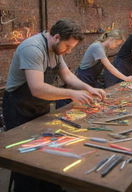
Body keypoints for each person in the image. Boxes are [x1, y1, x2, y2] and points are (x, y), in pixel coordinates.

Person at [2, 19, 106, 192]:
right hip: (18, 106)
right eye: (67, 46)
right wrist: (72, 93)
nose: (69, 50)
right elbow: (37, 88)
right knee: (26, 156)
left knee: (48, 150)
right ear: (56, 37)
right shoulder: (33, 49)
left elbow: (67, 76)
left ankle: (49, 186)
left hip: (38, 105)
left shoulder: (56, 49)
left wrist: (89, 88)